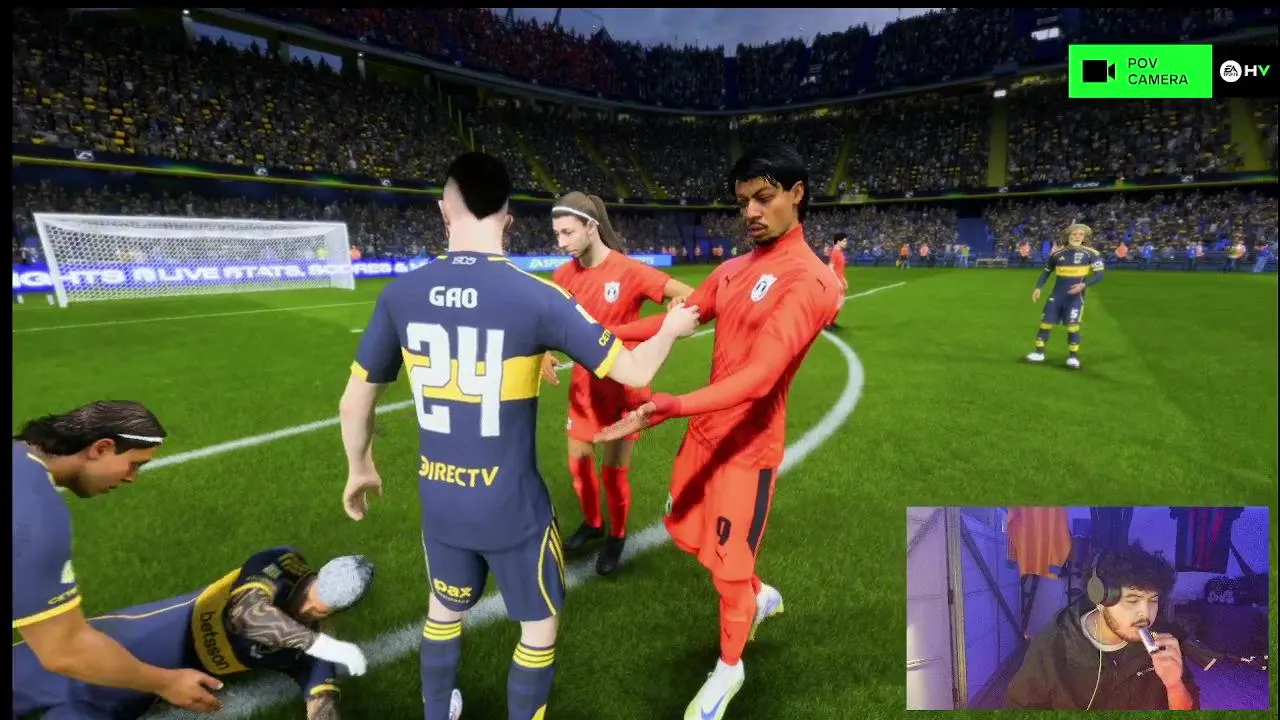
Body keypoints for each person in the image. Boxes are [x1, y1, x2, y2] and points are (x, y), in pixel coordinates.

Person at [337, 152, 700, 720]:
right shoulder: (538, 296)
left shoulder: (400, 295)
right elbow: (635, 372)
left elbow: (354, 402)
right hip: (511, 505)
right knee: (537, 627)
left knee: (443, 611)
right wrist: (673, 328)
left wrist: (360, 468)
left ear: (443, 210)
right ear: (508, 219)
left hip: (441, 499)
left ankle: (437, 710)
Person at [596, 142, 842, 720]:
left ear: (797, 194)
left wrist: (673, 404)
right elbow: (677, 319)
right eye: (743, 202)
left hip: (746, 452)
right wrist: (595, 337)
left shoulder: (811, 281)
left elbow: (759, 379)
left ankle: (730, 669)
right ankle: (759, 594)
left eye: (764, 197)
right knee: (696, 541)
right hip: (704, 439)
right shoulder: (733, 270)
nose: (751, 212)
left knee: (728, 572)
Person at [12, 400, 224, 714]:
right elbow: (65, 651)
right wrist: (165, 681)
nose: (131, 478)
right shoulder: (35, 514)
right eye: (134, 464)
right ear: (101, 448)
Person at [13, 547, 374, 719]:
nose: (306, 610)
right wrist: (319, 643)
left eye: (319, 611)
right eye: (311, 596)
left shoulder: (317, 649)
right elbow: (246, 616)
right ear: (312, 577)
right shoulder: (278, 566)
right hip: (111, 640)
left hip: (138, 690)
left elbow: (322, 702)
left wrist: (322, 705)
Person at [540, 191, 695, 575]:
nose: (561, 242)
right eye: (557, 234)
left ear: (591, 227)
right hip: (583, 389)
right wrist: (543, 352)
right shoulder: (562, 277)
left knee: (612, 473)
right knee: (578, 464)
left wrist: (672, 311)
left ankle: (617, 535)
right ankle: (593, 524)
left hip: (624, 391)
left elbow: (691, 298)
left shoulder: (630, 271)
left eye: (567, 233)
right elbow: (547, 320)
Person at [1005, 545, 1199, 710]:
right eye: (1132, 600)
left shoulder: (1163, 643)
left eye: (1153, 600)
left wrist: (1174, 686)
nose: (1146, 614)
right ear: (1099, 598)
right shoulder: (1053, 644)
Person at [1025, 223, 1105, 370]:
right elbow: (1046, 271)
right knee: (1045, 323)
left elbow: (1100, 274)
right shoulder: (1057, 254)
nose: (1077, 237)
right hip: (1056, 296)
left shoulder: (1092, 254)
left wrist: (1083, 285)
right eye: (1074, 234)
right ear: (1068, 236)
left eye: (1080, 234)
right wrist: (1038, 287)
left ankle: (1073, 357)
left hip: (1075, 298)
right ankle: (1039, 353)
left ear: (1084, 237)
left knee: (1072, 326)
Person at [827, 232, 848, 330]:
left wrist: (843, 279)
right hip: (836, 281)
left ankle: (831, 322)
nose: (846, 243)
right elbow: (830, 267)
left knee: (840, 302)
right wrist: (837, 281)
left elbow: (840, 268)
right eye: (844, 241)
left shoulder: (839, 252)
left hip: (839, 279)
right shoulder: (835, 252)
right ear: (838, 242)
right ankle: (827, 323)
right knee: (837, 303)